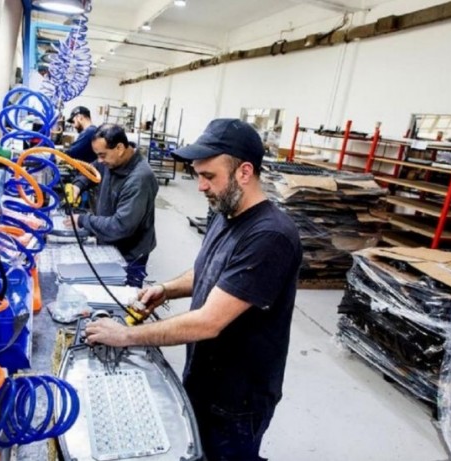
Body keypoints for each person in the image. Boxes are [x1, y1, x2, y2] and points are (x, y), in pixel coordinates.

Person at [85, 118, 302, 460]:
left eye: (209, 176)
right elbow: (209, 270)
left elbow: (208, 322)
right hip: (206, 377)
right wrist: (166, 289)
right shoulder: (226, 213)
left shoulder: (270, 236)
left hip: (237, 399)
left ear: (244, 172)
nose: (200, 186)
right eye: (198, 175)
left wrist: (125, 335)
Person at [65, 124, 158, 287]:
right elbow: (93, 169)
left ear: (120, 148)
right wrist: (78, 186)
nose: (100, 160)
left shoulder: (139, 179)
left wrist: (83, 220)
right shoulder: (112, 160)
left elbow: (121, 226)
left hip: (130, 254)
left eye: (102, 155)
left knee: (125, 297)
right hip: (109, 243)